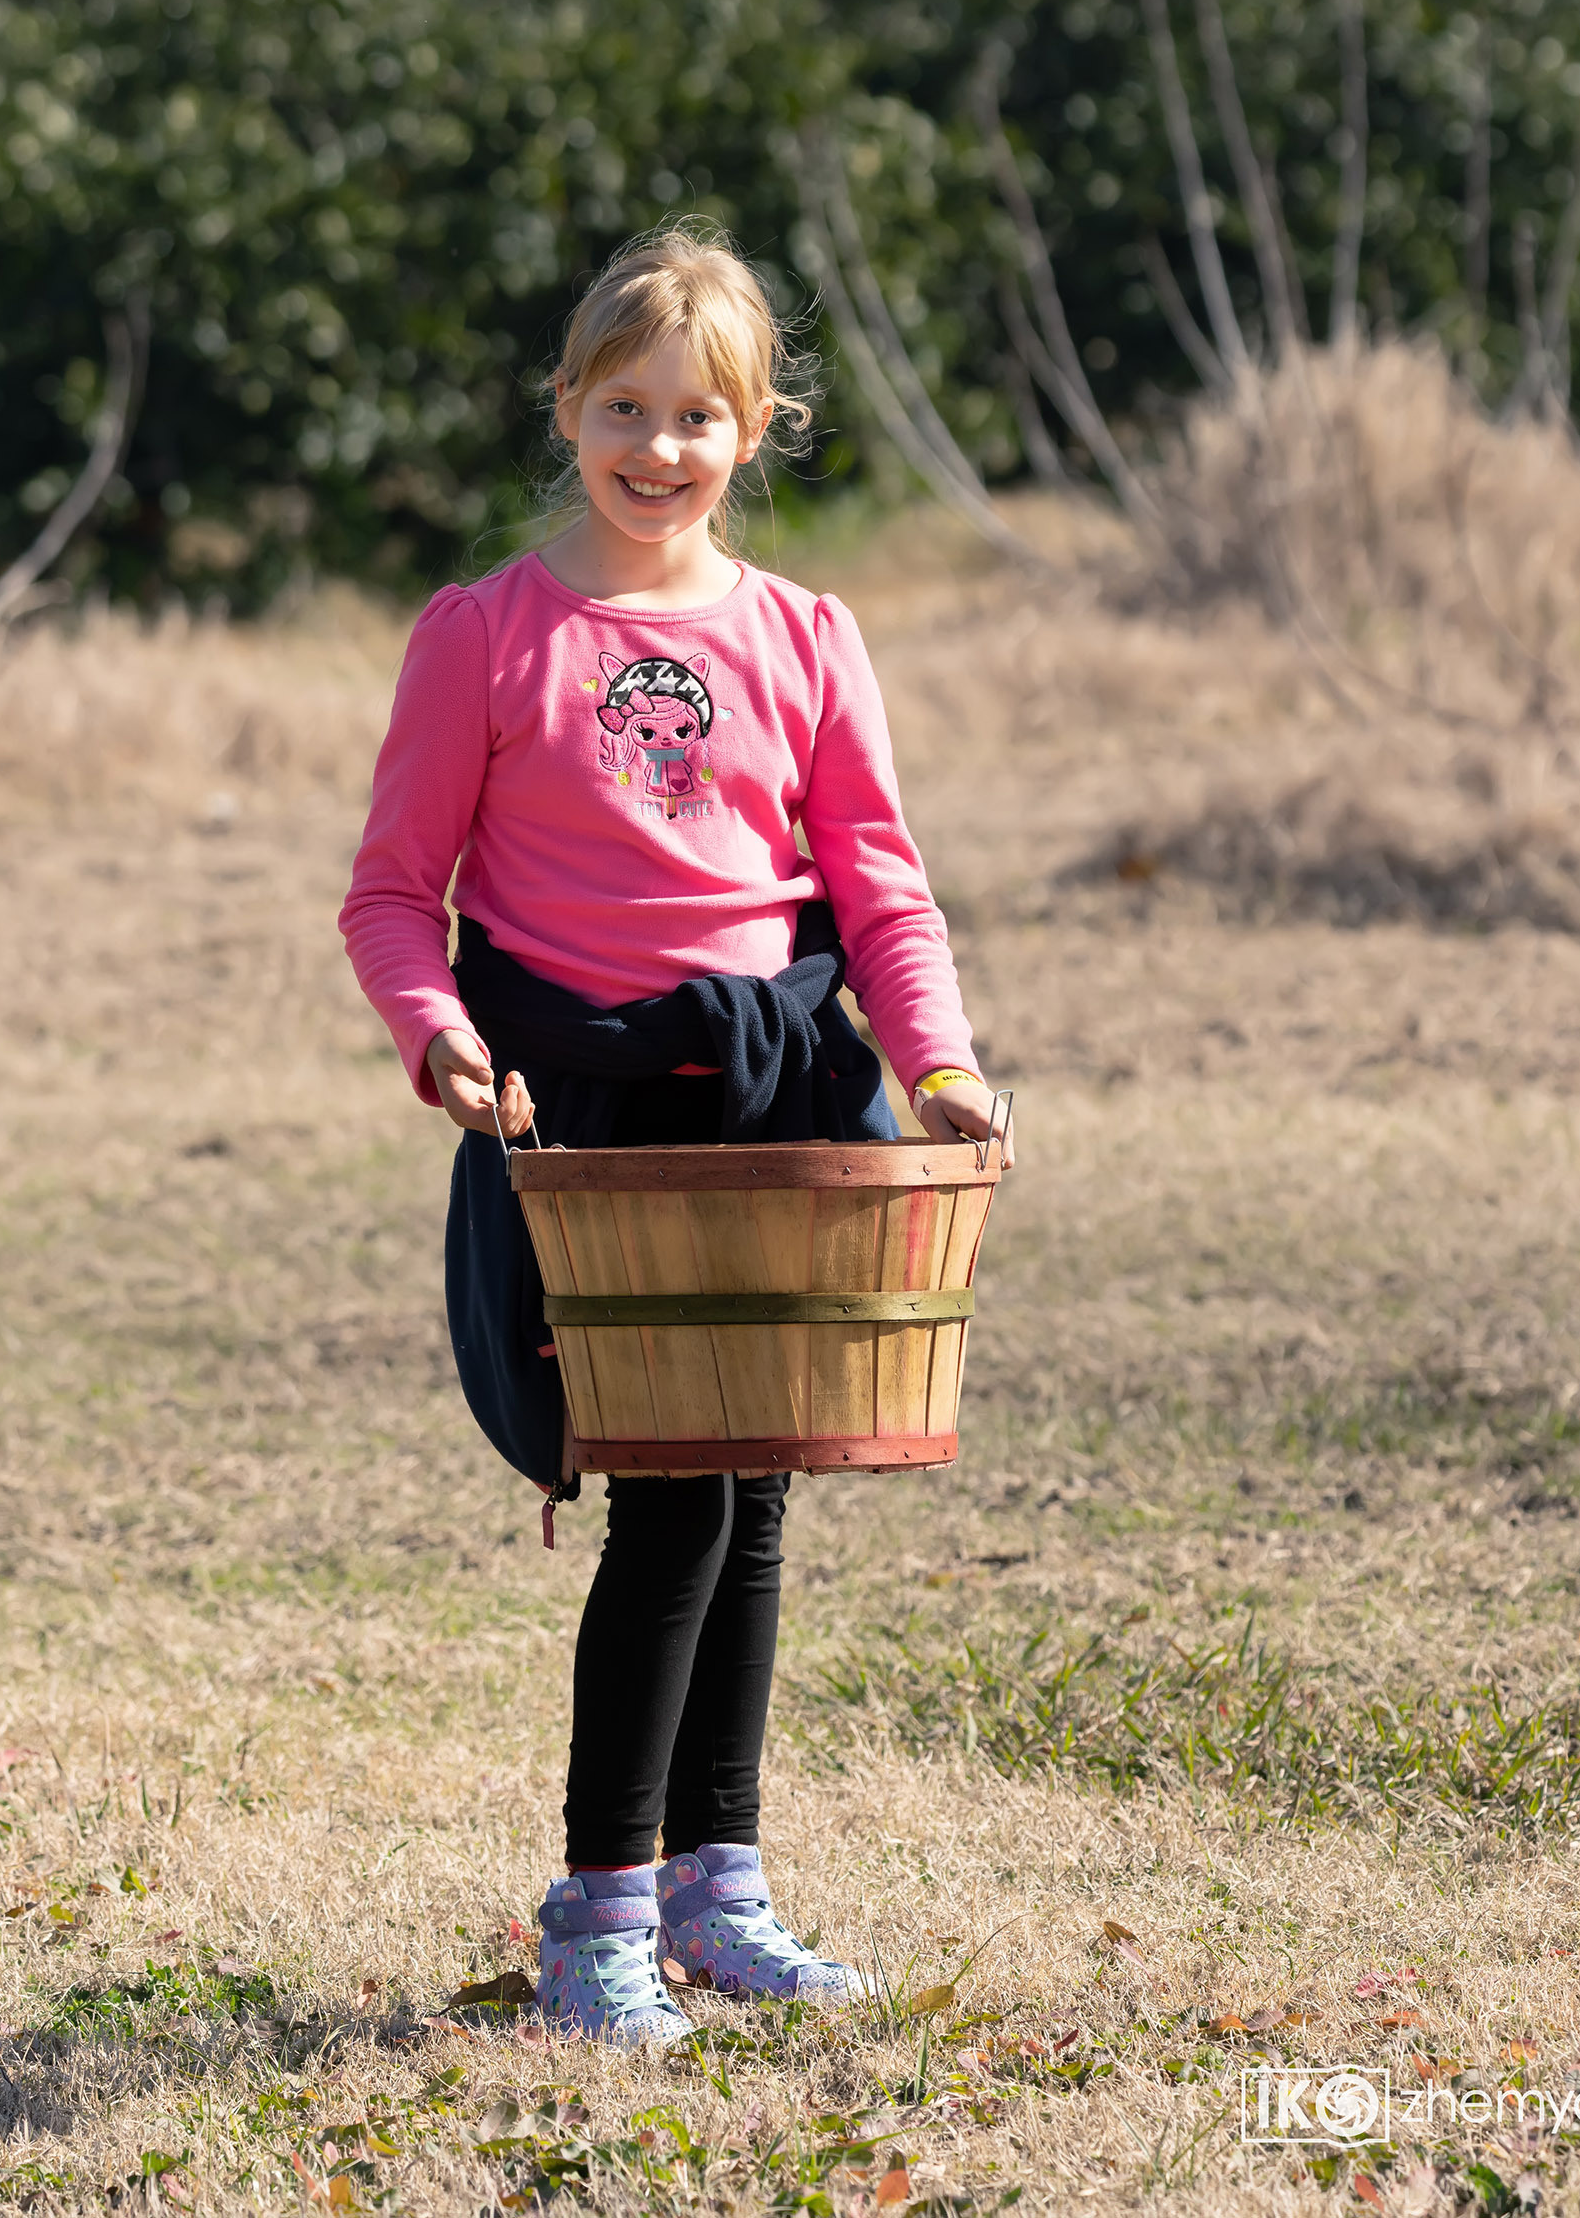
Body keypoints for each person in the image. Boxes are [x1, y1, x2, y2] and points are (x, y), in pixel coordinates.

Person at [339, 225, 1012, 2046]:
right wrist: (446, 1042)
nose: (658, 446)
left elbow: (881, 885)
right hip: (585, 1104)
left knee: (757, 1487)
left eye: (698, 414)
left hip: (781, 1083)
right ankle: (599, 1917)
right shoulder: (481, 635)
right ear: (566, 409)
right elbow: (397, 898)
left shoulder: (807, 635)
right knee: (670, 1499)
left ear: (757, 425)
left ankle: (725, 1895)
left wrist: (937, 1066)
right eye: (622, 407)